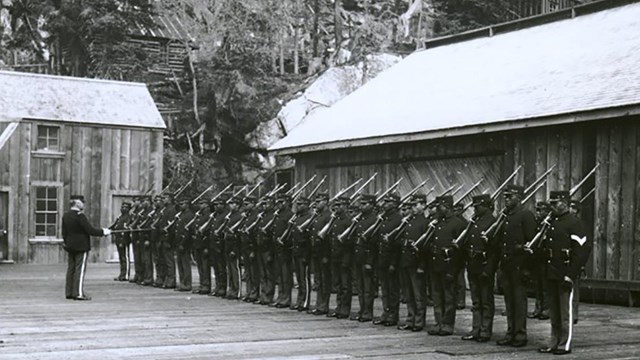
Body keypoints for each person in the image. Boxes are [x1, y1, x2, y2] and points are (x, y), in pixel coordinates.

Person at [538, 191, 591, 355]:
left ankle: (564, 344)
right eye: (551, 203)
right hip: (551, 271)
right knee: (554, 311)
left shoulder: (575, 223)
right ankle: (553, 341)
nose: (552, 206)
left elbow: (581, 251)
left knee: (565, 312)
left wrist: (571, 274)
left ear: (566, 203)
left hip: (565, 271)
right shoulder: (552, 222)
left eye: (556, 203)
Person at [496, 185, 536, 347]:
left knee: (519, 302)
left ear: (519, 197)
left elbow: (532, 243)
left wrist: (527, 268)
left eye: (510, 197)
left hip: (520, 266)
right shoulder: (506, 216)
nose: (506, 199)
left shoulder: (526, 216)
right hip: (507, 265)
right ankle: (510, 332)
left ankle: (520, 335)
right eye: (505, 197)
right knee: (509, 302)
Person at [427, 195, 466, 336]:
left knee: (449, 297)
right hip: (435, 264)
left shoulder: (458, 223)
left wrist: (453, 270)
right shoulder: (437, 222)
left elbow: (459, 251)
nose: (438, 209)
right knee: (437, 296)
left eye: (440, 207)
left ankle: (448, 325)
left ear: (447, 207)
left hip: (448, 265)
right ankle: (439, 323)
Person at [460, 194, 497, 342]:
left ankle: (485, 331)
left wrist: (489, 269)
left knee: (486, 301)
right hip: (473, 264)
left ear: (486, 206)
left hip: (484, 265)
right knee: (476, 301)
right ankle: (476, 329)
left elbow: (495, 250)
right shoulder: (474, 221)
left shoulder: (493, 222)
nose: (475, 209)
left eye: (478, 206)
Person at [62, 195, 110, 300]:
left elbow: (64, 233)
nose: (83, 204)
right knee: (80, 269)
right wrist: (103, 232)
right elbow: (90, 230)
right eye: (82, 202)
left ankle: (69, 292)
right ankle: (78, 293)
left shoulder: (66, 215)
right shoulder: (80, 216)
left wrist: (67, 243)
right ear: (77, 203)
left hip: (70, 246)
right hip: (81, 246)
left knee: (71, 269)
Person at [110, 201, 132, 281]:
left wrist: (123, 240)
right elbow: (114, 226)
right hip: (118, 238)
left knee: (125, 257)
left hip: (124, 240)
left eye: (125, 207)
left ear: (128, 209)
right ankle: (121, 273)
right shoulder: (120, 217)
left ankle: (125, 275)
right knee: (121, 257)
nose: (123, 208)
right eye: (122, 207)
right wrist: (107, 230)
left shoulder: (128, 217)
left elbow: (125, 229)